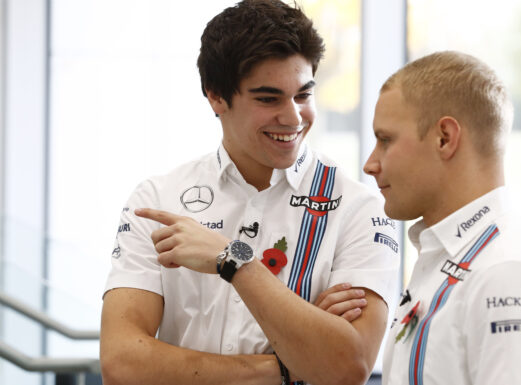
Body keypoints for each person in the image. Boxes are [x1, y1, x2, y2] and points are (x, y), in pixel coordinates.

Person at [100, 1, 399, 385]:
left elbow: (346, 367)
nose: (293, 118)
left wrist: (233, 260)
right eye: (268, 99)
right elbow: (122, 364)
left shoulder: (359, 208)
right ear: (215, 96)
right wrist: (290, 365)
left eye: (304, 95)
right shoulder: (157, 200)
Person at [363, 51, 521, 385]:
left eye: (385, 140)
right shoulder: (455, 252)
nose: (370, 163)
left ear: (445, 138)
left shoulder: (508, 271)